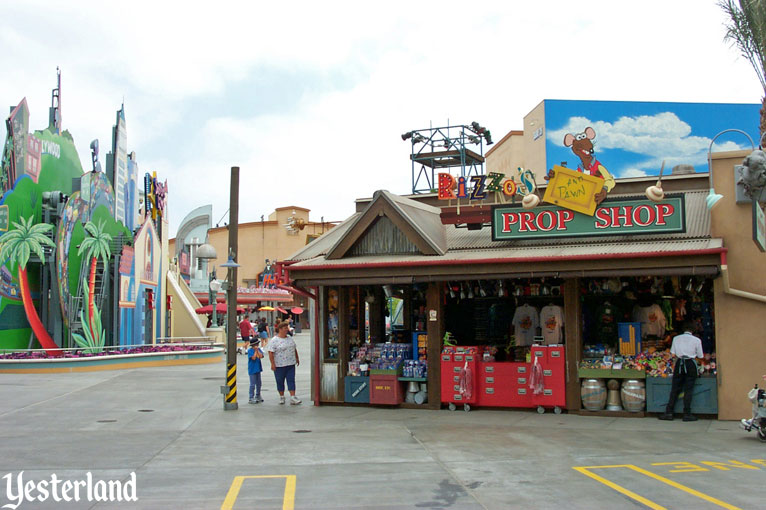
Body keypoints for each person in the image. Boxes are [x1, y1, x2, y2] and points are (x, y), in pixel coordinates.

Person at [658, 320, 704, 422]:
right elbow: (700, 356)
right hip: (691, 364)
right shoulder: (697, 340)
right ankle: (687, 413)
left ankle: (669, 412)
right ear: (693, 330)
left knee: (675, 388)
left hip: (679, 363)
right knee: (689, 389)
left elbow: (673, 354)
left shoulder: (676, 338)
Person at [267, 320, 301, 405]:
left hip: (290, 363)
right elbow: (271, 352)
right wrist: (272, 364)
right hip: (279, 364)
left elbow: (294, 348)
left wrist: (297, 357)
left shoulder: (289, 338)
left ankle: (293, 396)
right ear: (280, 329)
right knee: (280, 380)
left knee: (291, 379)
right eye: (285, 328)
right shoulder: (274, 340)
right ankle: (281, 396)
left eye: (287, 328)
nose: (287, 330)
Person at [247, 338, 264, 404]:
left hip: (258, 369)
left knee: (259, 383)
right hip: (252, 369)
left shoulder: (259, 350)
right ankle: (251, 397)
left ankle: (258, 395)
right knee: (252, 384)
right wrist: (255, 351)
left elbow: (261, 356)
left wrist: (258, 351)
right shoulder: (250, 351)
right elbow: (253, 358)